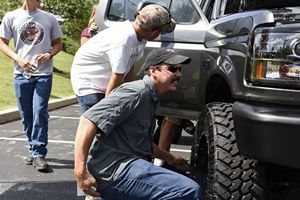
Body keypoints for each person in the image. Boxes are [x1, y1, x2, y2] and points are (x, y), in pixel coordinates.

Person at [74, 48, 201, 199]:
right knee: (188, 191)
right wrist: (80, 171)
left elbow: (142, 142)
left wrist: (170, 159)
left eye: (180, 69)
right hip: (115, 171)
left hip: (125, 168)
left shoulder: (150, 96)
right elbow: (87, 120)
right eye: (173, 69)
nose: (179, 74)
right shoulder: (135, 92)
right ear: (154, 71)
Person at [71, 4, 176, 113]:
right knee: (100, 123)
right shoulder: (125, 40)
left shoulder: (140, 36)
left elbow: (129, 65)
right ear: (154, 32)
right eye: (160, 32)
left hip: (103, 81)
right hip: (90, 84)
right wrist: (106, 109)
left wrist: (130, 92)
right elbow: (117, 75)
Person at [0, 0, 63, 172]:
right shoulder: (11, 16)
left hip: (43, 75)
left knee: (39, 112)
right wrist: (17, 58)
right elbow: (2, 42)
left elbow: (59, 43)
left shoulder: (49, 18)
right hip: (20, 75)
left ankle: (39, 153)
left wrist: (49, 54)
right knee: (26, 115)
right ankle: (33, 148)